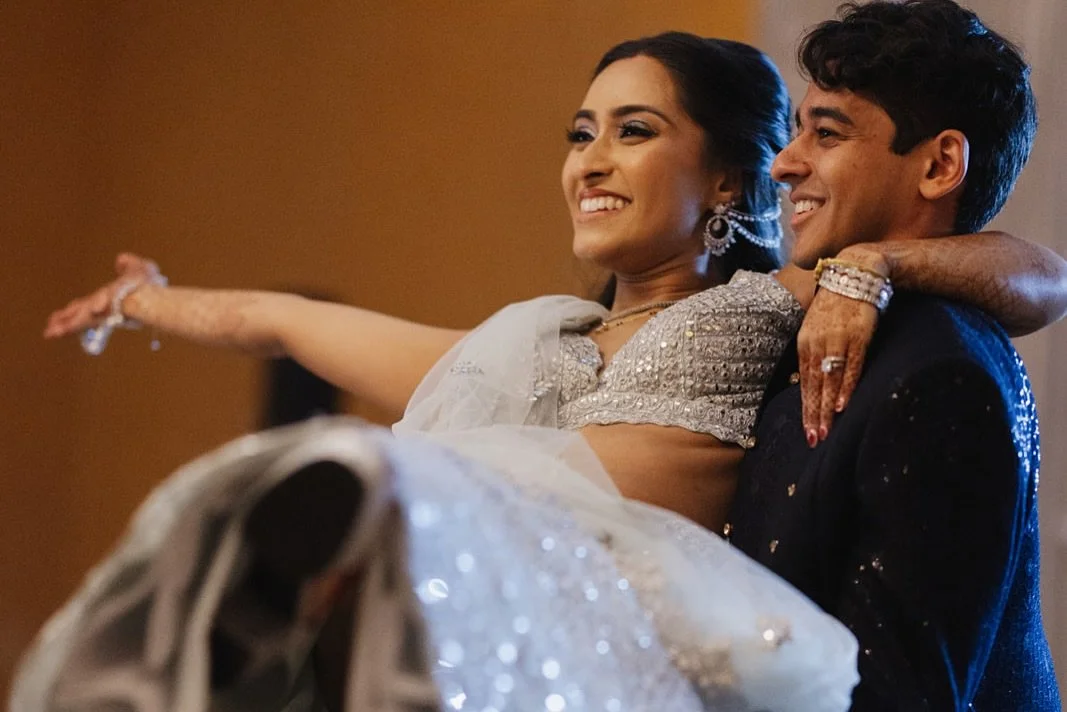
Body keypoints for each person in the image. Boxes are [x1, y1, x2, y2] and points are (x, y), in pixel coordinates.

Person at [17, 30, 1066, 712]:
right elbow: (280, 321)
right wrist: (148, 300)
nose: (590, 159)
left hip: (609, 593)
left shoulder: (778, 303)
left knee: (365, 490)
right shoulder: (534, 343)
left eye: (633, 131)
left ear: (720, 185)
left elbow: (1039, 275)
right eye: (579, 134)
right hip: (501, 574)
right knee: (321, 488)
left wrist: (873, 266)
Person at [726, 2, 1062, 709]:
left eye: (826, 133)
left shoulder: (941, 372)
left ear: (938, 165)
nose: (784, 164)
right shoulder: (809, 316)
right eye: (796, 130)